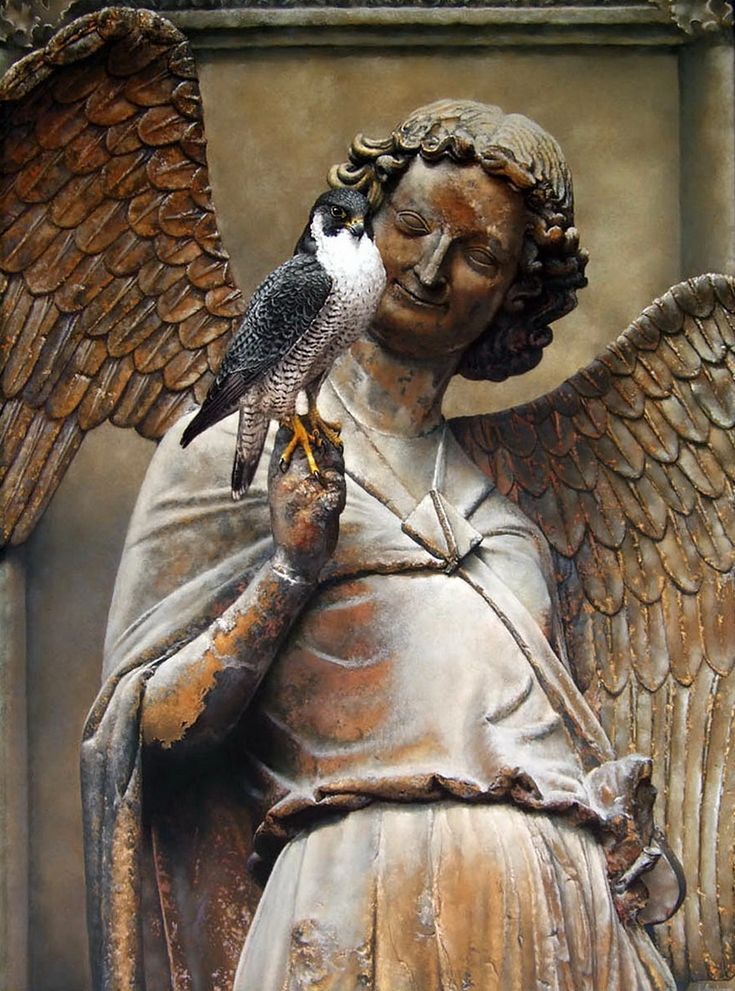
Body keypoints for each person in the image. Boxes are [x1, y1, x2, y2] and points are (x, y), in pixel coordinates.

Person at [82, 99, 680, 990]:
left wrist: (605, 814)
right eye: (410, 226)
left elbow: (517, 733)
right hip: (354, 902)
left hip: (552, 914)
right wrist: (290, 570)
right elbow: (148, 735)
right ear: (364, 220)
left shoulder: (514, 520)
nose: (431, 270)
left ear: (516, 292)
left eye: (477, 254)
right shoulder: (243, 446)